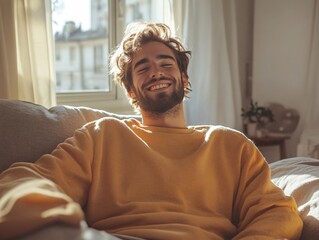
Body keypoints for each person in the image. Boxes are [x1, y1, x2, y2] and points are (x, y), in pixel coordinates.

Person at [0, 22, 302, 240]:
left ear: (183, 78)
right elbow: (24, 179)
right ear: (132, 91)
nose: (156, 71)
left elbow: (276, 212)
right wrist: (58, 226)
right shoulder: (103, 135)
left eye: (165, 63)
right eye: (142, 67)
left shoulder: (229, 143)